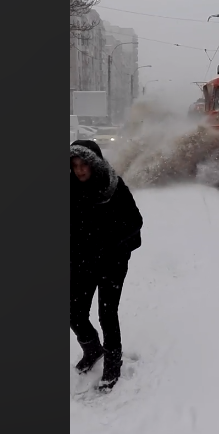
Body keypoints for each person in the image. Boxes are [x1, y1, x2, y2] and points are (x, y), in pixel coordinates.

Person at [70, 140, 143, 393]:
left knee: (106, 313)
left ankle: (113, 361)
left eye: (84, 165)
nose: (79, 171)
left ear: (95, 164)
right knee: (74, 311)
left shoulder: (113, 187)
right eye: (75, 165)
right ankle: (93, 349)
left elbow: (135, 222)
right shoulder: (69, 188)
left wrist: (108, 244)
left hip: (112, 262)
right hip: (81, 262)